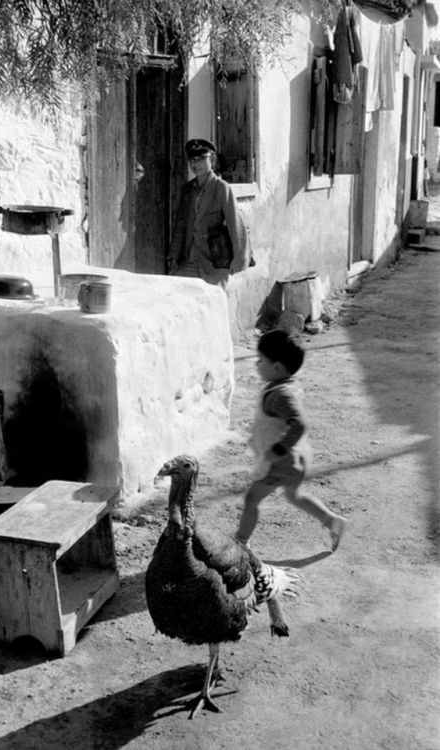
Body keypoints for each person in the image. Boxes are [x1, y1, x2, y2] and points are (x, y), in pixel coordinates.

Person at [235, 329, 347, 551]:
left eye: (261, 360)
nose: (257, 364)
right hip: (298, 457)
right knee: (294, 495)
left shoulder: (280, 395)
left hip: (282, 461)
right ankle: (332, 521)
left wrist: (276, 450)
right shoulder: (286, 386)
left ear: (277, 367)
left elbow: (299, 423)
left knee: (252, 499)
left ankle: (240, 542)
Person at [167, 138, 250, 287]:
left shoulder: (222, 188)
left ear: (212, 159)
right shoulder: (187, 190)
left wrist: (239, 258)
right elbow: (180, 225)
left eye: (201, 159)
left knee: (213, 304)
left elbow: (234, 223)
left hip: (214, 261)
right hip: (189, 259)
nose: (195, 164)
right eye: (192, 160)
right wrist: (174, 255)